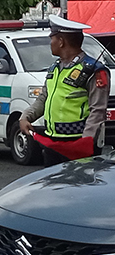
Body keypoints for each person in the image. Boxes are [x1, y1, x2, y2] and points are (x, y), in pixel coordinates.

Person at [19, 16, 109, 162]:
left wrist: (86, 141)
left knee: (79, 184)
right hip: (52, 143)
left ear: (61, 42)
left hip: (78, 143)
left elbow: (98, 110)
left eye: (52, 39)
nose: (50, 43)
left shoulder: (93, 70)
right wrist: (25, 117)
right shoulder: (55, 68)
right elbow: (44, 98)